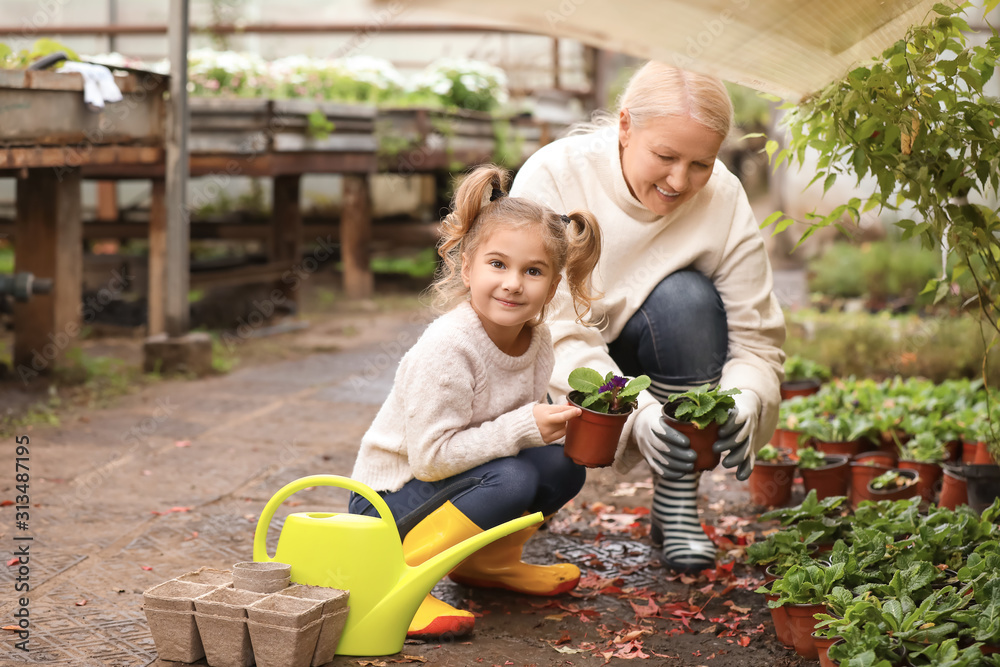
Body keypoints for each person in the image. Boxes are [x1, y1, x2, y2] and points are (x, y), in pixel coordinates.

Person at [510, 62, 786, 572]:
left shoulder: (722, 197)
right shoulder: (555, 176)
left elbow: (757, 337)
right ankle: (521, 497)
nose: (681, 181)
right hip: (549, 361)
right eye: (665, 156)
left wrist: (747, 397)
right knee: (522, 486)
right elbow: (544, 327)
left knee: (688, 299)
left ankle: (677, 500)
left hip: (657, 341)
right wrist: (635, 414)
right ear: (624, 126)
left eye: (701, 164)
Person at [348, 164, 603, 640]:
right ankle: (395, 579)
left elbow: (523, 438)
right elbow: (430, 459)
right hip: (385, 508)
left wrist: (564, 423)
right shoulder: (448, 348)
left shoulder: (538, 339)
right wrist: (525, 427)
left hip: (456, 485)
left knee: (563, 465)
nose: (513, 283)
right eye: (497, 264)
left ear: (552, 286)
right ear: (466, 266)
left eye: (533, 271)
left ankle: (488, 564)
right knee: (513, 477)